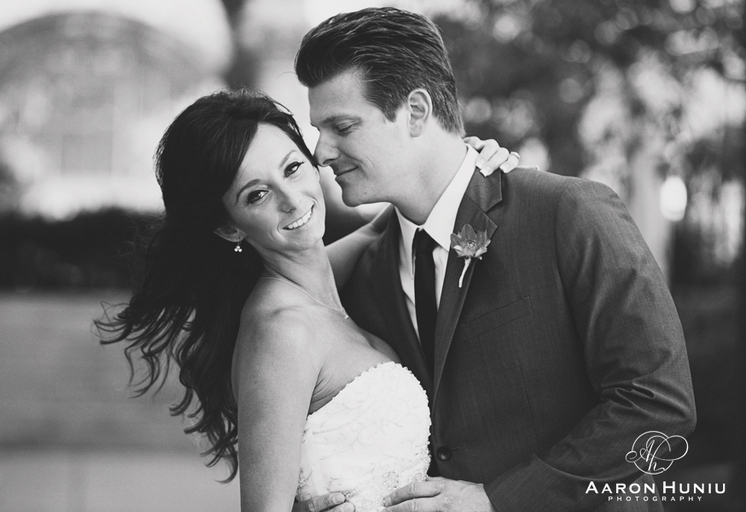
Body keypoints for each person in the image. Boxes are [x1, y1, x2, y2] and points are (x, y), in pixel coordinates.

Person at [293, 7, 696, 512]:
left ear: (415, 111)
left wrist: (498, 500)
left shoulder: (566, 213)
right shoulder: (364, 272)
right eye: (319, 130)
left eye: (342, 126)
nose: (321, 152)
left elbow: (658, 401)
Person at [96, 88, 517, 511]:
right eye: (257, 194)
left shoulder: (322, 281)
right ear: (229, 227)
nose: (292, 200)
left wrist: (465, 163)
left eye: (293, 168)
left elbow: (392, 220)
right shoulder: (282, 330)